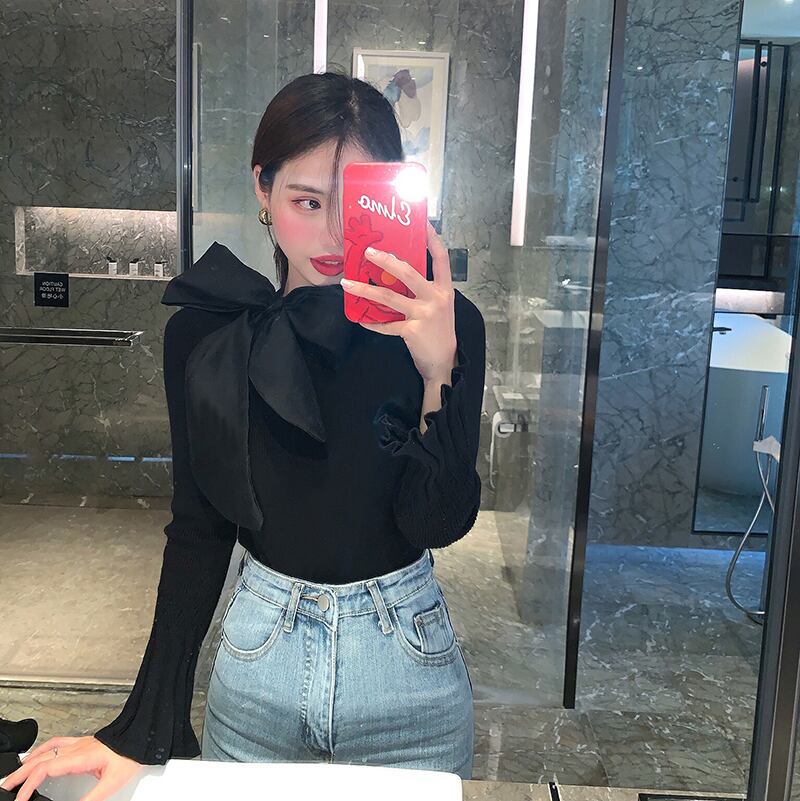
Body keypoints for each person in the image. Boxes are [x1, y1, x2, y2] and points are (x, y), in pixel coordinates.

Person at [1, 69, 486, 801]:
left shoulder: (448, 327)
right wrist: (143, 726)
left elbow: (436, 523)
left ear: (391, 197)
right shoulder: (210, 334)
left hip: (409, 677)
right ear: (263, 190)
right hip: (261, 663)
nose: (331, 233)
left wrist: (436, 370)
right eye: (306, 201)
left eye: (354, 203)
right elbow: (199, 529)